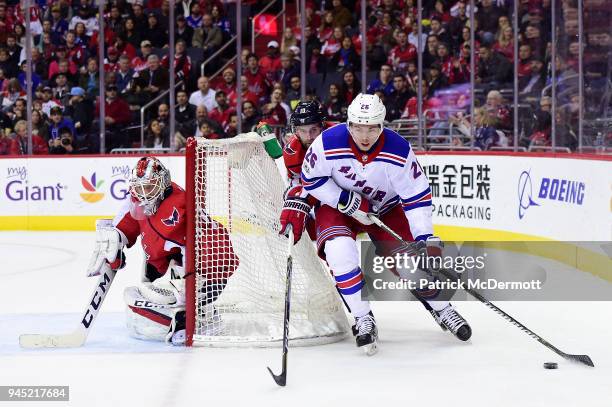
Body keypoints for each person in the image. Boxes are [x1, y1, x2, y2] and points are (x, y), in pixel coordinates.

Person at [290, 93, 472, 353]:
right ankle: (363, 318)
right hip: (339, 209)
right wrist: (343, 199)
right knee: (340, 253)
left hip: (384, 209)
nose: (365, 136)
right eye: (359, 128)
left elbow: (416, 196)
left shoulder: (398, 149)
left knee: (413, 264)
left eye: (372, 128)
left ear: (382, 126)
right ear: (349, 124)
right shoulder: (327, 143)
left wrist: (424, 237)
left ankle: (443, 309)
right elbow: (311, 180)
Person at [86, 157, 239, 345]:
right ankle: (187, 308)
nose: (143, 193)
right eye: (139, 187)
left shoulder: (178, 206)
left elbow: (192, 246)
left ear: (163, 183)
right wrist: (116, 238)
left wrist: (186, 297)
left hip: (206, 266)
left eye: (148, 186)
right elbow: (130, 218)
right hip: (174, 256)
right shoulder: (144, 198)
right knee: (149, 279)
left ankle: (190, 314)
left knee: (168, 289)